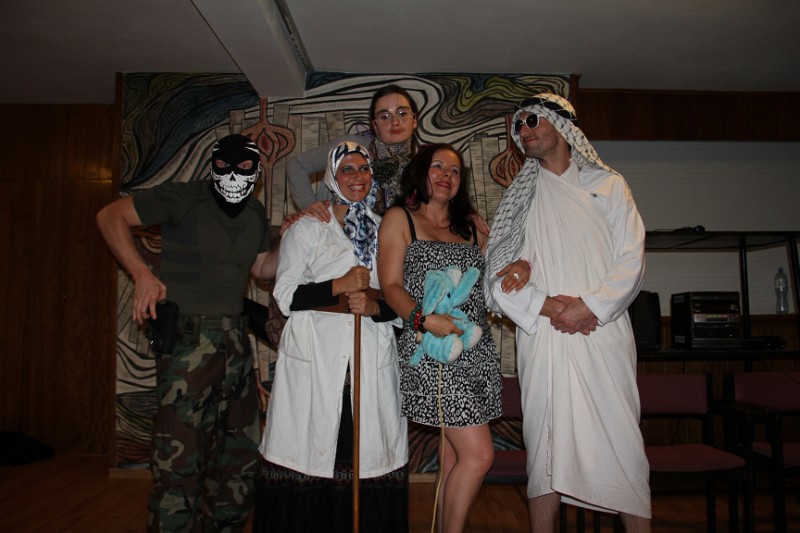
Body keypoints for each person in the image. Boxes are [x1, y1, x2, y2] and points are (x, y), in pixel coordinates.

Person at [95, 134, 279, 532]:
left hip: (235, 342)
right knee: (180, 463)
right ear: (213, 166)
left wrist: (298, 233)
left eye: (244, 167)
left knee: (239, 461)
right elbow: (110, 216)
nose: (234, 175)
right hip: (188, 341)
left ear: (257, 173)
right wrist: (142, 274)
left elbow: (262, 268)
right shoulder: (183, 197)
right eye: (224, 166)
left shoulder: (255, 212)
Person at [484, 93, 651, 532]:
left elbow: (632, 260)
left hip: (602, 332)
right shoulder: (521, 200)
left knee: (622, 444)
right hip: (544, 339)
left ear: (563, 126)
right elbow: (498, 283)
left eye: (532, 121)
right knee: (545, 449)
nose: (523, 131)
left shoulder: (608, 185)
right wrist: (549, 304)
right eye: (518, 125)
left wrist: (590, 307)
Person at [255, 141, 408, 533]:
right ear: (331, 178)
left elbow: (399, 300)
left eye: (364, 169)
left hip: (369, 358)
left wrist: (372, 306)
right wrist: (338, 285)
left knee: (365, 452)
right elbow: (285, 295)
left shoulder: (386, 229)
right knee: (312, 449)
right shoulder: (309, 227)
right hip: (316, 360)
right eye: (347, 170)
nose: (357, 177)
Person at [378, 143, 504, 533]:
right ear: (420, 172)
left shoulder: (471, 227)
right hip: (432, 351)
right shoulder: (400, 218)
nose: (447, 175)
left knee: (453, 457)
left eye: (454, 170)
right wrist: (422, 320)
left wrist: (513, 260)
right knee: (479, 456)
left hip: (475, 352)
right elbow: (390, 286)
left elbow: (491, 283)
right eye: (438, 166)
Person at [287, 84, 491, 236]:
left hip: (394, 252)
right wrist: (310, 204)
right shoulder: (349, 149)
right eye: (385, 116)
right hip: (337, 244)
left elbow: (442, 197)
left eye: (402, 113)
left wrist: (466, 214)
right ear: (375, 125)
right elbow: (297, 164)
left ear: (414, 120)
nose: (395, 122)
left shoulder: (426, 162)